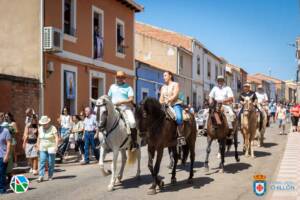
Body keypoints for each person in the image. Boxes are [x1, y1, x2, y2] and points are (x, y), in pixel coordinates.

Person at [108, 71, 139, 150]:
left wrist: (121, 102)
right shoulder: (112, 87)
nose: (119, 79)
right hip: (113, 108)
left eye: (121, 77)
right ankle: (104, 141)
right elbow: (109, 98)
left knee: (132, 122)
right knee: (104, 119)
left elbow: (131, 99)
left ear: (124, 78)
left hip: (125, 108)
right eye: (118, 77)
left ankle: (134, 142)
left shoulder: (128, 87)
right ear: (116, 78)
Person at [159, 71, 185, 145]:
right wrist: (161, 102)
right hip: (165, 106)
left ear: (170, 76)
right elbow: (161, 98)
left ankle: (181, 137)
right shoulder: (163, 87)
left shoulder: (175, 84)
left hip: (174, 105)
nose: (163, 77)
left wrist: (168, 100)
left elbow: (175, 95)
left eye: (165, 75)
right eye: (163, 76)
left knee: (179, 118)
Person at [37, 116, 59, 182]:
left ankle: (50, 175)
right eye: (42, 124)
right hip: (42, 147)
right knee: (42, 161)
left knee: (50, 162)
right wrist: (37, 144)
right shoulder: (40, 128)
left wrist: (56, 146)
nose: (43, 125)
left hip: (51, 147)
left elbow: (56, 137)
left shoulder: (53, 128)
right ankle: (41, 176)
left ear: (48, 123)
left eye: (44, 124)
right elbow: (39, 137)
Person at [0, 113, 11, 194]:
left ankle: (2, 189)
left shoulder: (5, 130)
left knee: (1, 173)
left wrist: (7, 155)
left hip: (2, 155)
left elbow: (9, 143)